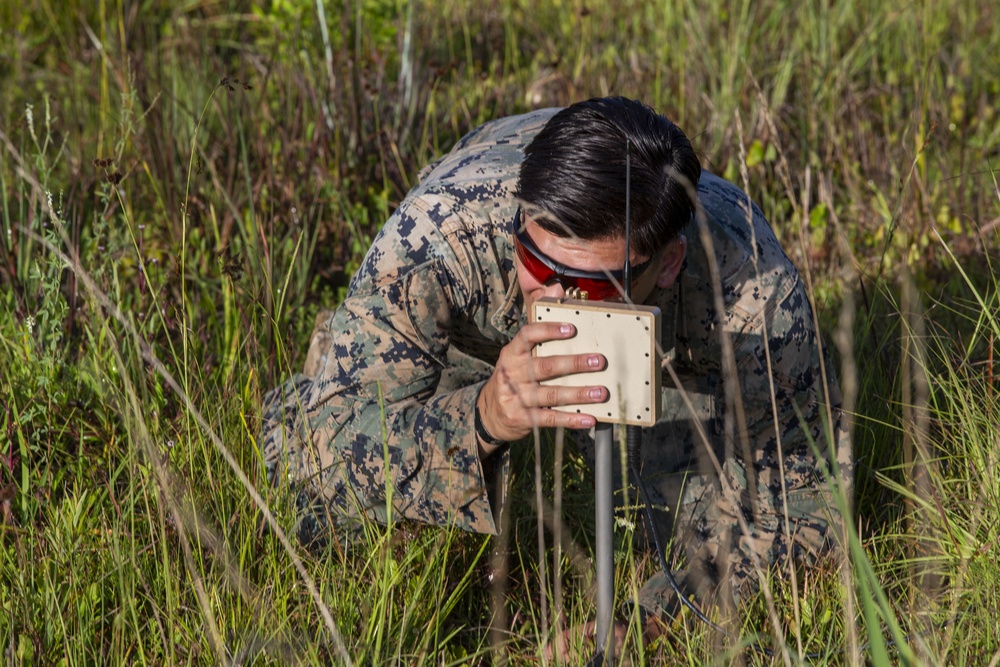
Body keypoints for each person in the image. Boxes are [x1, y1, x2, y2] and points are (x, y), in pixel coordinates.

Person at [259, 97, 851, 647]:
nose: (556, 298)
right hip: (474, 335)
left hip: (674, 358)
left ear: (667, 264)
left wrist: (653, 623)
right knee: (327, 513)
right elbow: (327, 435)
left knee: (684, 507)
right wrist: (481, 420)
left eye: (594, 284)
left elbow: (805, 499)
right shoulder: (437, 237)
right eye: (535, 261)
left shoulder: (752, 289)